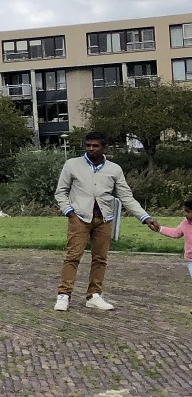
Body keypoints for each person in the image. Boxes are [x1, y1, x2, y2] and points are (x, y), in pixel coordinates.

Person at [53, 132, 159, 311]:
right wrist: (69, 212)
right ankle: (64, 295)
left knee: (100, 258)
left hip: (104, 218)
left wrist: (145, 217)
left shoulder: (114, 169)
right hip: (79, 217)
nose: (91, 149)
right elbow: (60, 192)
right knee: (72, 256)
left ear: (104, 148)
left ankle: (94, 295)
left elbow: (126, 197)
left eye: (95, 146)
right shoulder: (72, 165)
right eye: (88, 145)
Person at [156, 198, 192, 311]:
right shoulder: (185, 223)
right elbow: (176, 233)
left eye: (188, 211)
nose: (185, 214)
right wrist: (159, 229)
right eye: (185, 211)